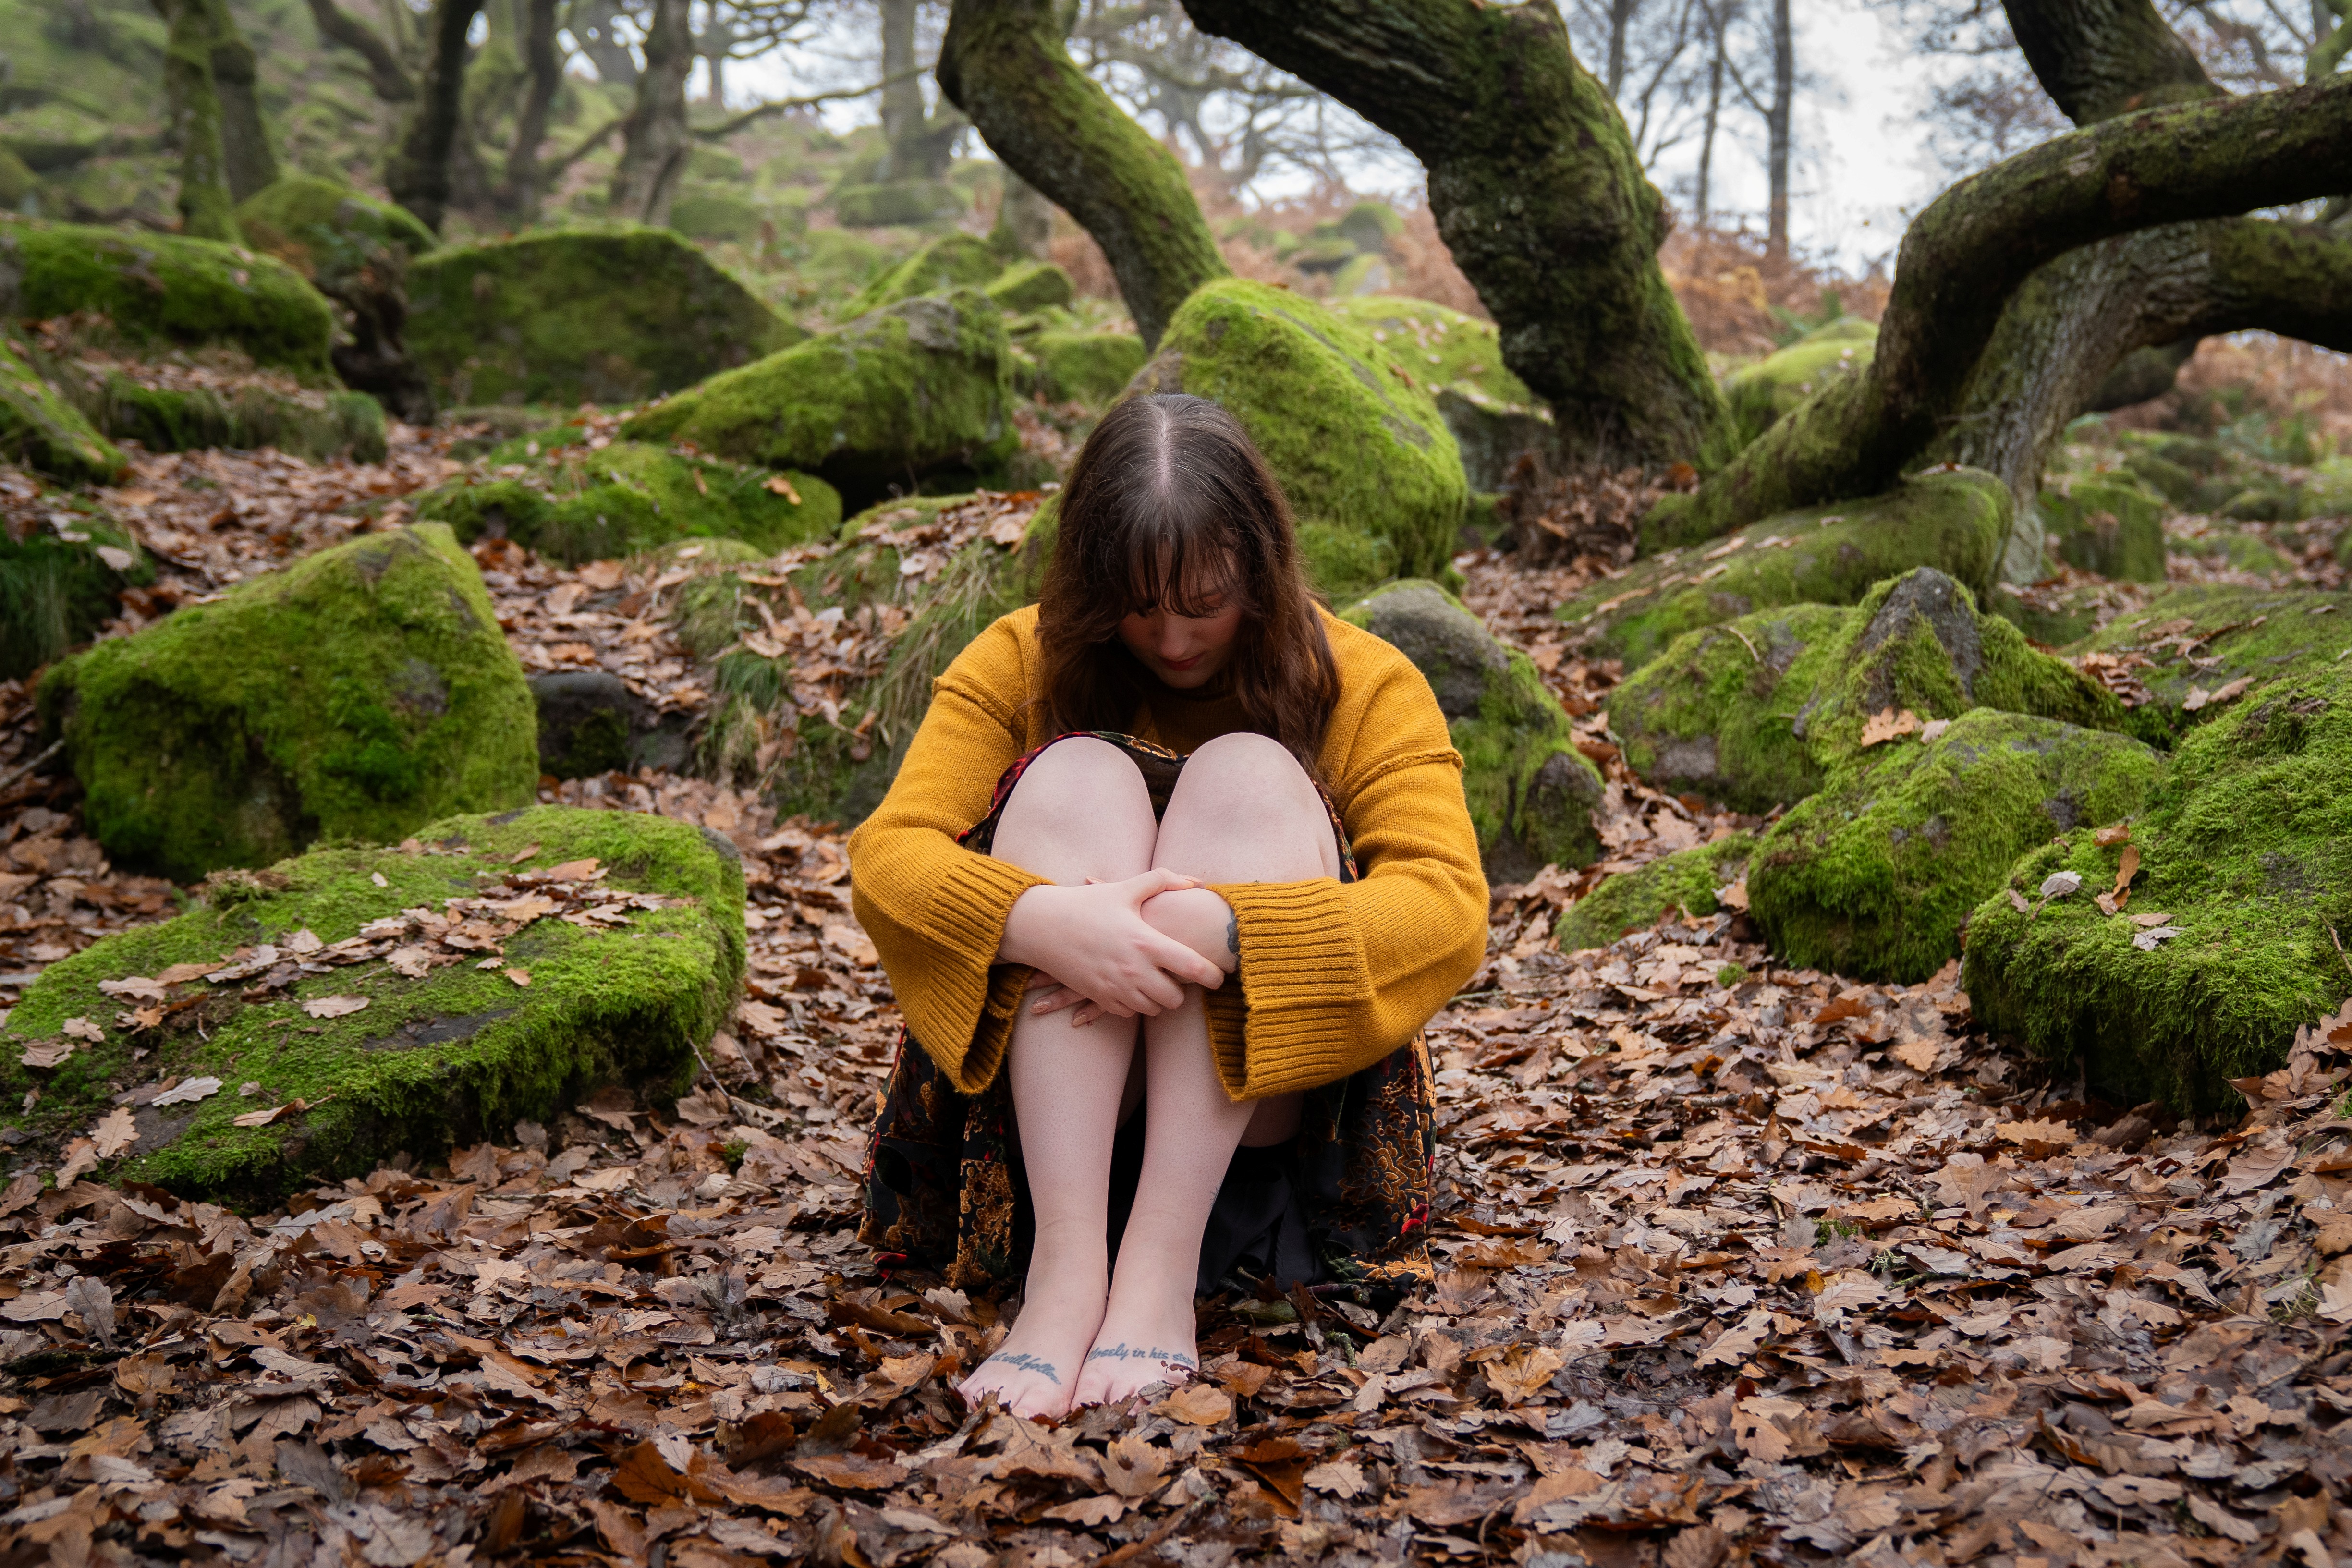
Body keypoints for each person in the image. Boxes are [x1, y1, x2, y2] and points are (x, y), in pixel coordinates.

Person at [848, 393, 1487, 1420]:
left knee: (1245, 774)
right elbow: (888, 854)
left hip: (1266, 1121)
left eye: (1206, 602)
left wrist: (1232, 931)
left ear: (1261, 573)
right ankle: (1064, 1274)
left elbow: (1450, 905)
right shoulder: (1022, 654)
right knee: (1075, 781)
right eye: (1139, 606)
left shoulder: (1363, 680)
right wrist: (1040, 921)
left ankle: (1155, 1266)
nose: (1175, 638)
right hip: (1055, 1104)